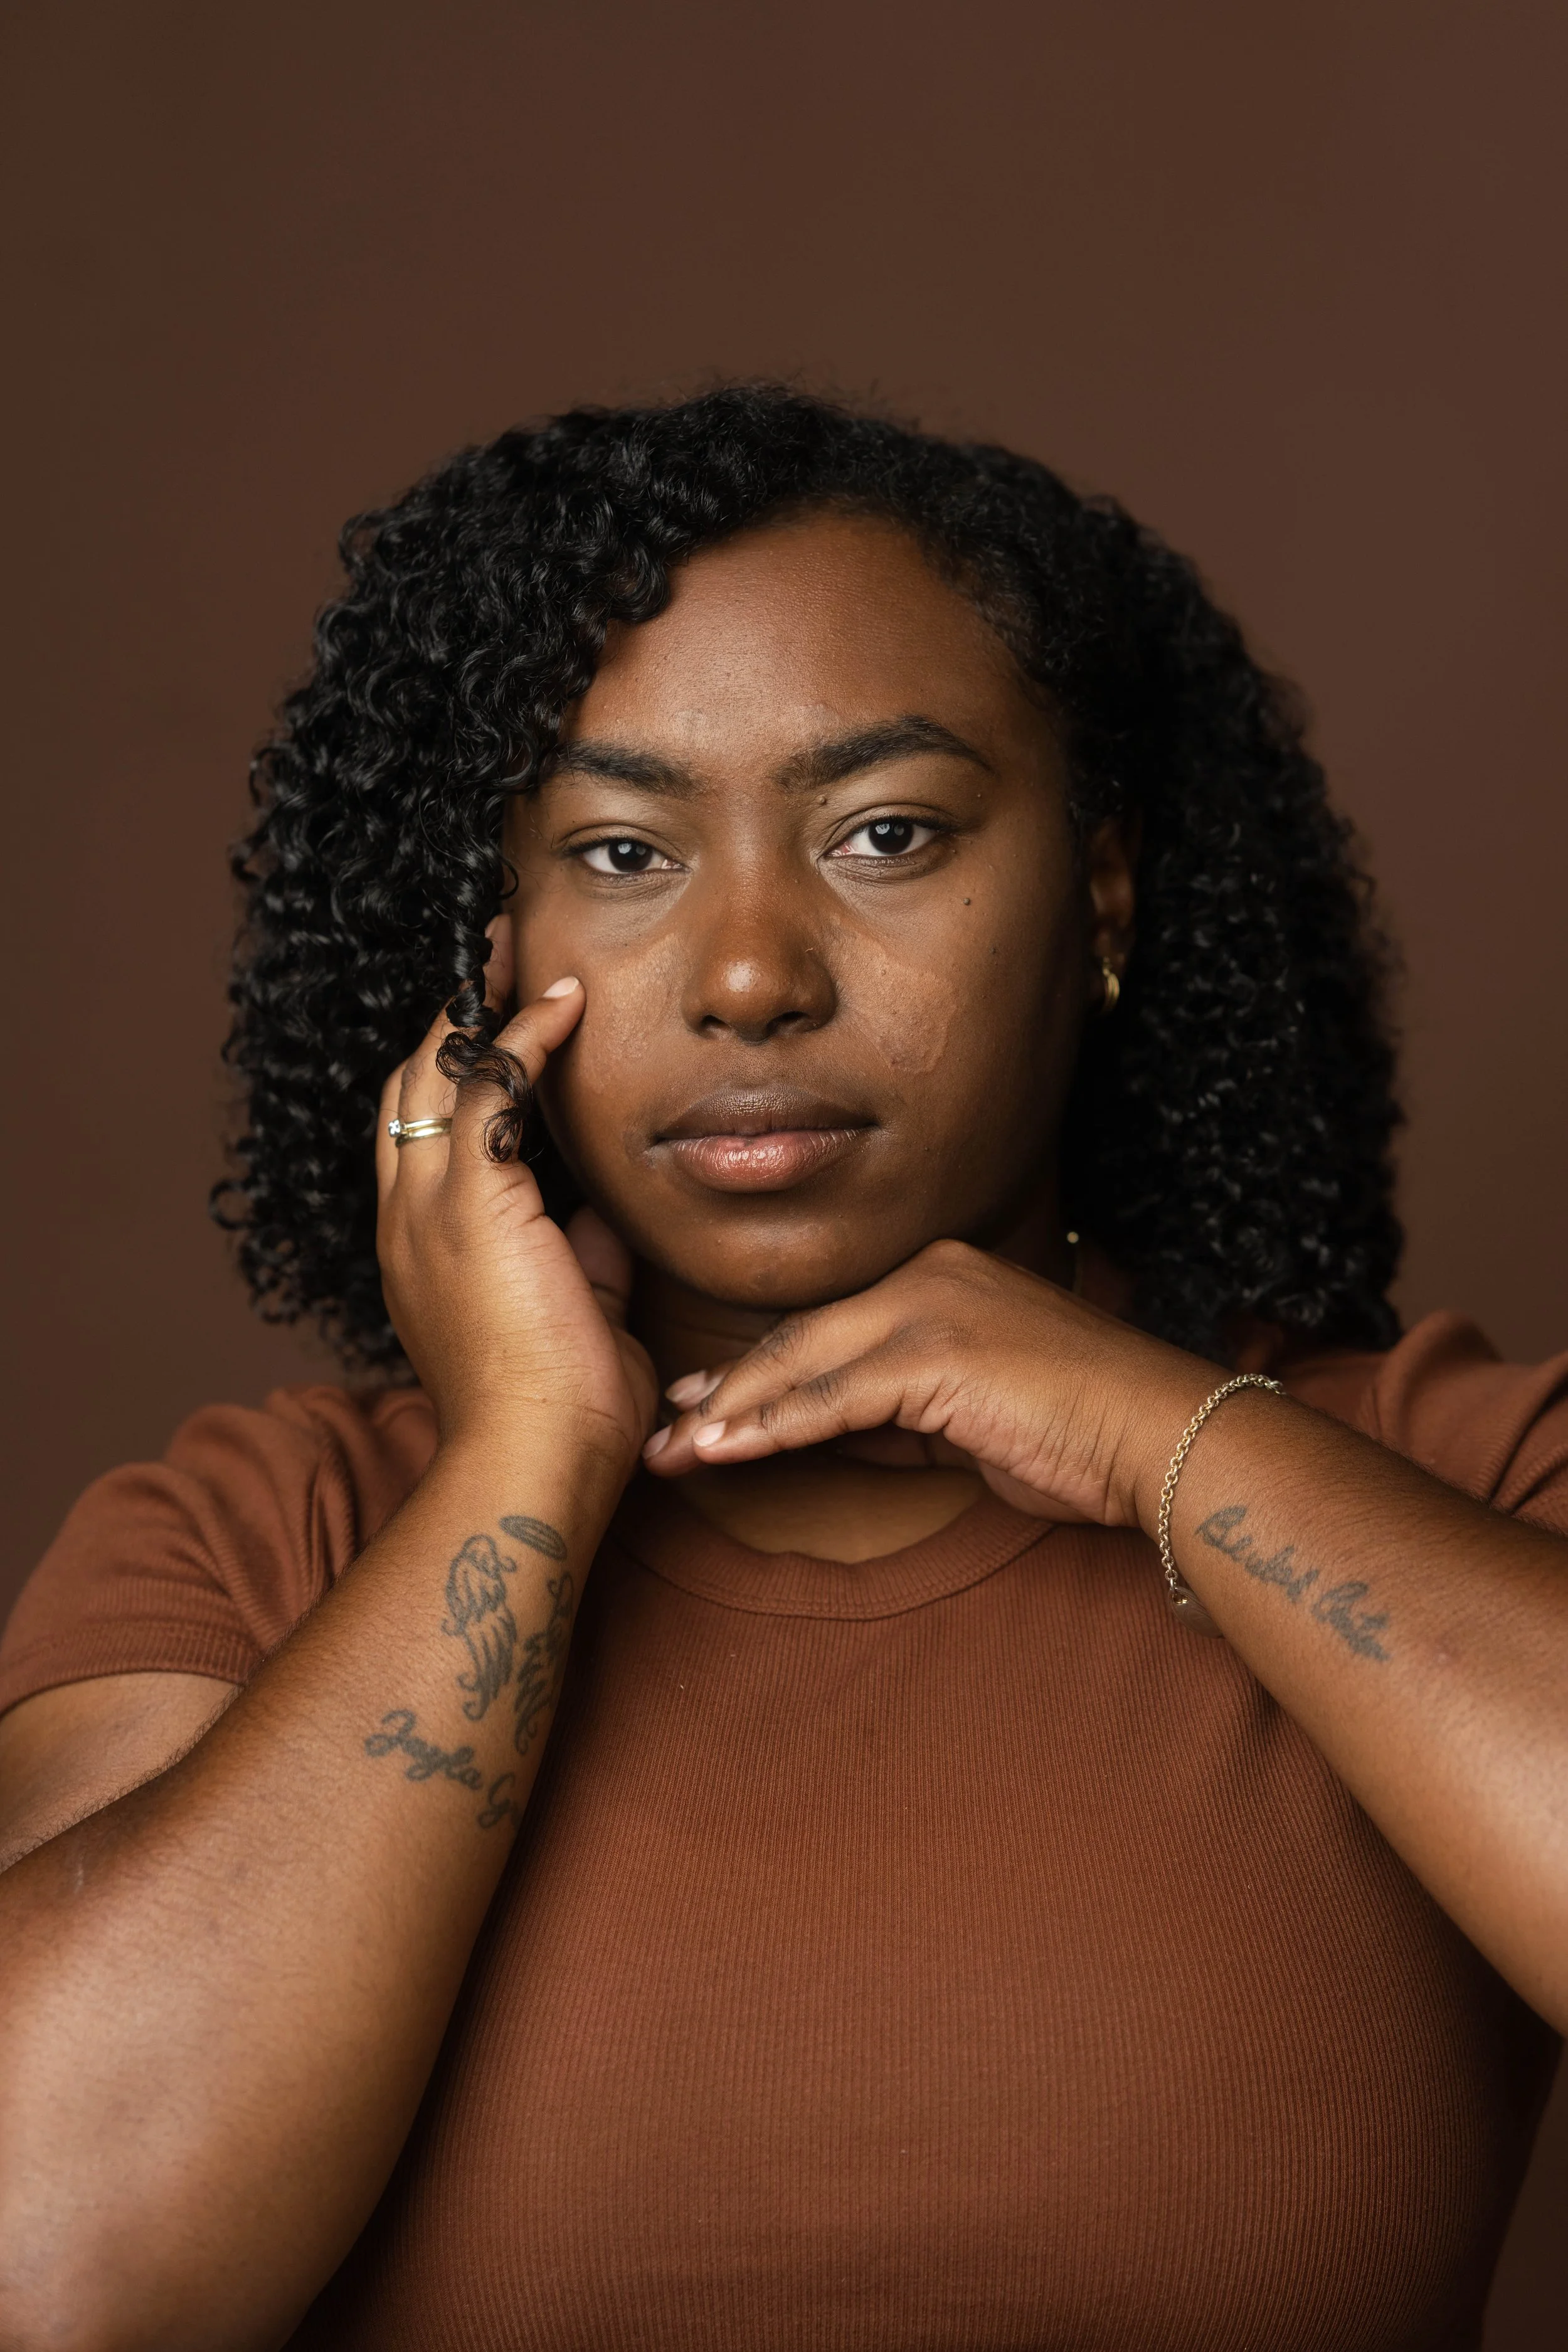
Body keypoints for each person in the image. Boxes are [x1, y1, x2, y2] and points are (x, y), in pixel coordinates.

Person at [0, 387, 1563, 2352]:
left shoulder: (1450, 1470)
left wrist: (1152, 1428)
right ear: (492, 949)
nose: (749, 972)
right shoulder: (264, 1539)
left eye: (884, 833)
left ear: (1099, 894)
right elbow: (49, 2271)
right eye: (625, 849)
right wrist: (519, 1465)